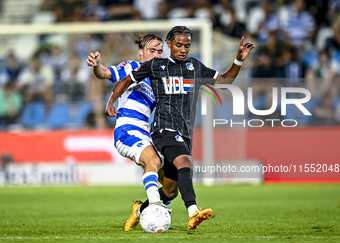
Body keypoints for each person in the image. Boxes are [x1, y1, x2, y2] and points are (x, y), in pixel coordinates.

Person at [105, 26, 255, 230]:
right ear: (169, 45)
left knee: (170, 190)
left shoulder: (195, 67)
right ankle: (193, 211)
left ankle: (140, 212)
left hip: (185, 132)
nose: (183, 49)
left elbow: (224, 80)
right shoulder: (156, 66)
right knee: (185, 161)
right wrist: (112, 100)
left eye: (187, 46)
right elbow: (126, 80)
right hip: (163, 129)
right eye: (178, 45)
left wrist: (238, 60)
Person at [86, 33, 176, 231]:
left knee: (171, 186)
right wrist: (96, 66)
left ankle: (141, 211)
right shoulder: (132, 67)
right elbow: (104, 74)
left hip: (146, 133)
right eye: (152, 51)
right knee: (153, 161)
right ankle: (155, 209)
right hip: (127, 129)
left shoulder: (160, 81)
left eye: (160, 52)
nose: (157, 55)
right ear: (141, 52)